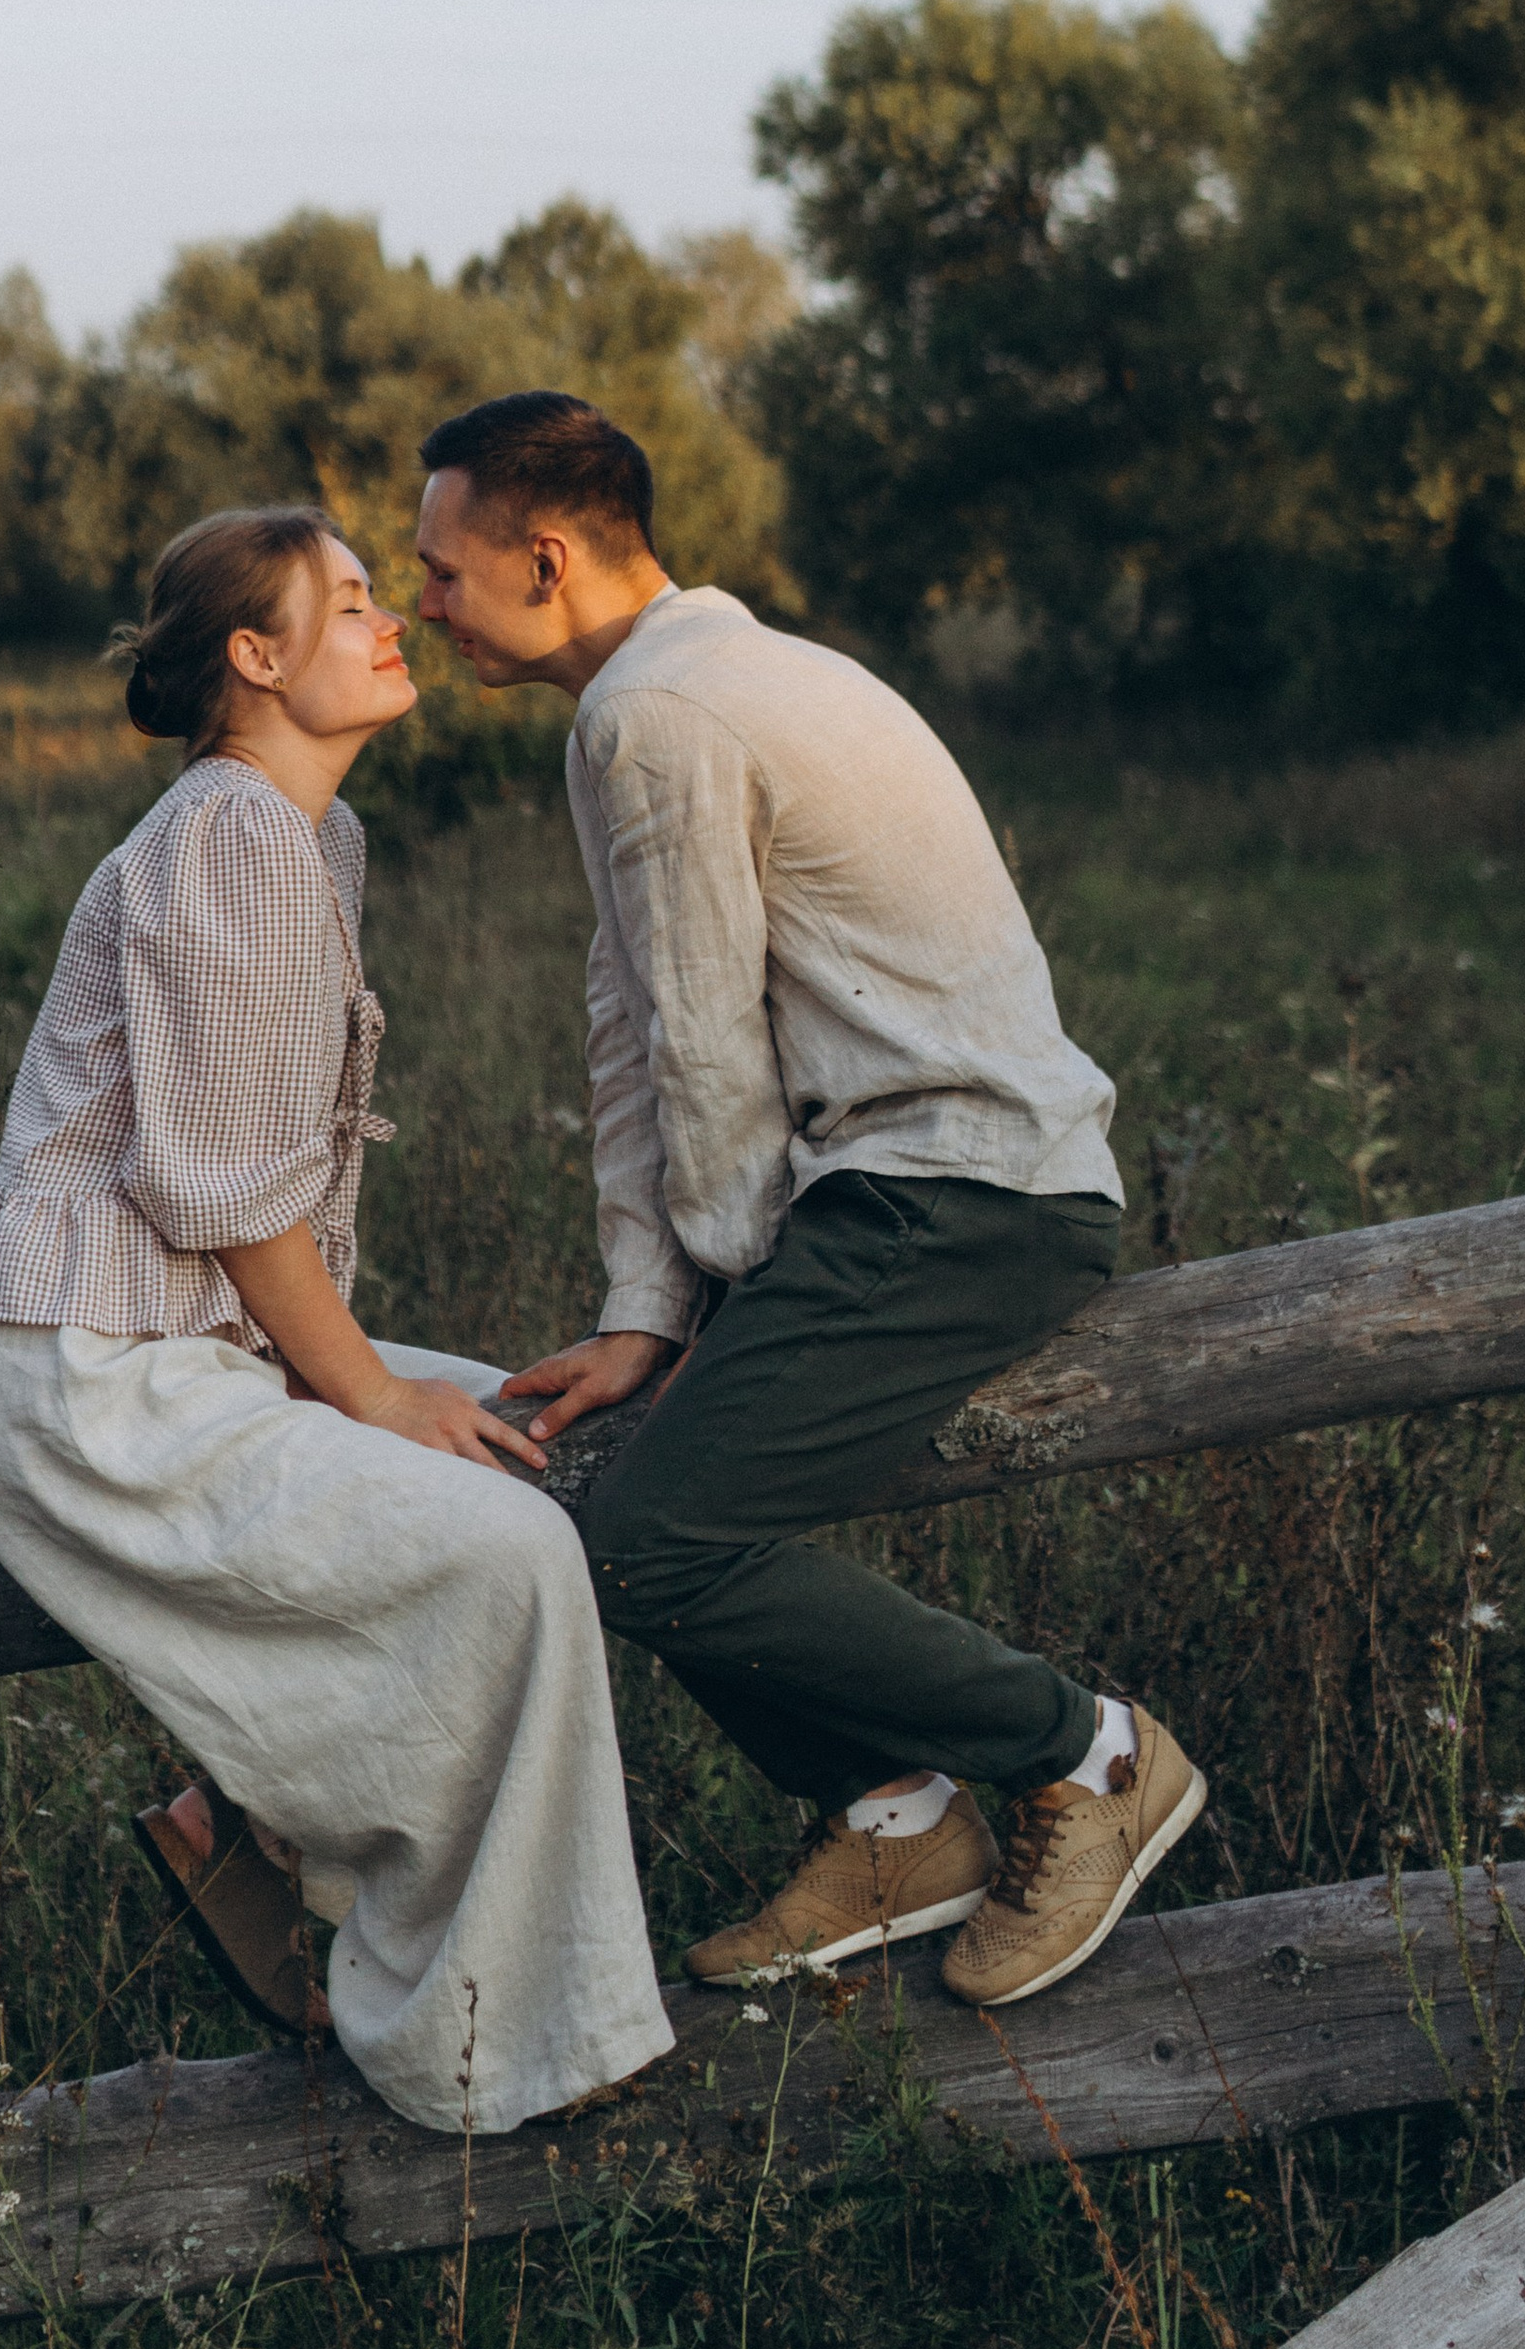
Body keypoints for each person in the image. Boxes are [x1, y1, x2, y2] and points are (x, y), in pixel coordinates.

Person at [412, 392, 1207, 2009]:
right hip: (910, 1190)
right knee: (629, 1496)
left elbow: (707, 1046)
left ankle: (1092, 1758)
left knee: (639, 1545)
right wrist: (648, 1315)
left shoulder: (664, 717)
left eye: (436, 568)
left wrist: (721, 1297)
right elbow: (631, 1019)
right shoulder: (698, 680)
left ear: (544, 557)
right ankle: (894, 1818)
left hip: (959, 1192)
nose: (422, 602)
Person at [0, 502, 674, 2135]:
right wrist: (371, 1397)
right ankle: (492, 2058)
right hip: (86, 1377)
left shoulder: (306, 836)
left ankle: (258, 1824)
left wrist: (374, 1386)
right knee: (511, 1541)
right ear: (255, 659)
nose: (390, 615)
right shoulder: (232, 837)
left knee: (545, 1441)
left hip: (177, 1348)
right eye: (343, 602)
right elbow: (229, 1197)